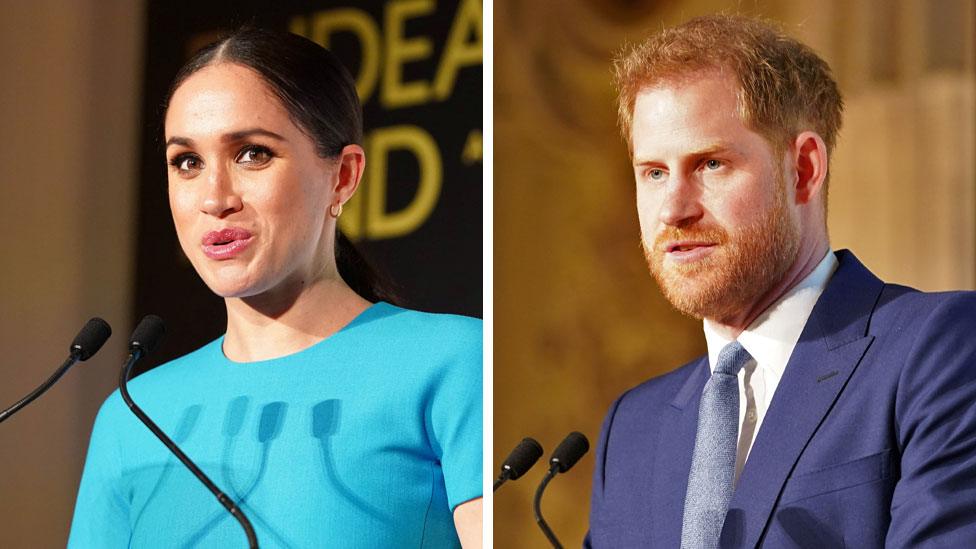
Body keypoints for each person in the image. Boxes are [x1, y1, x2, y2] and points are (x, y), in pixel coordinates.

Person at [68, 28, 482, 548]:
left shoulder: (457, 363)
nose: (214, 198)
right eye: (187, 162)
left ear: (344, 176)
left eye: (252, 154)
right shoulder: (131, 415)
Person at [586, 14, 976, 548]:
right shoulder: (631, 429)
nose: (673, 209)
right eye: (654, 172)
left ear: (804, 170)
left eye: (711, 164)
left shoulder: (938, 348)